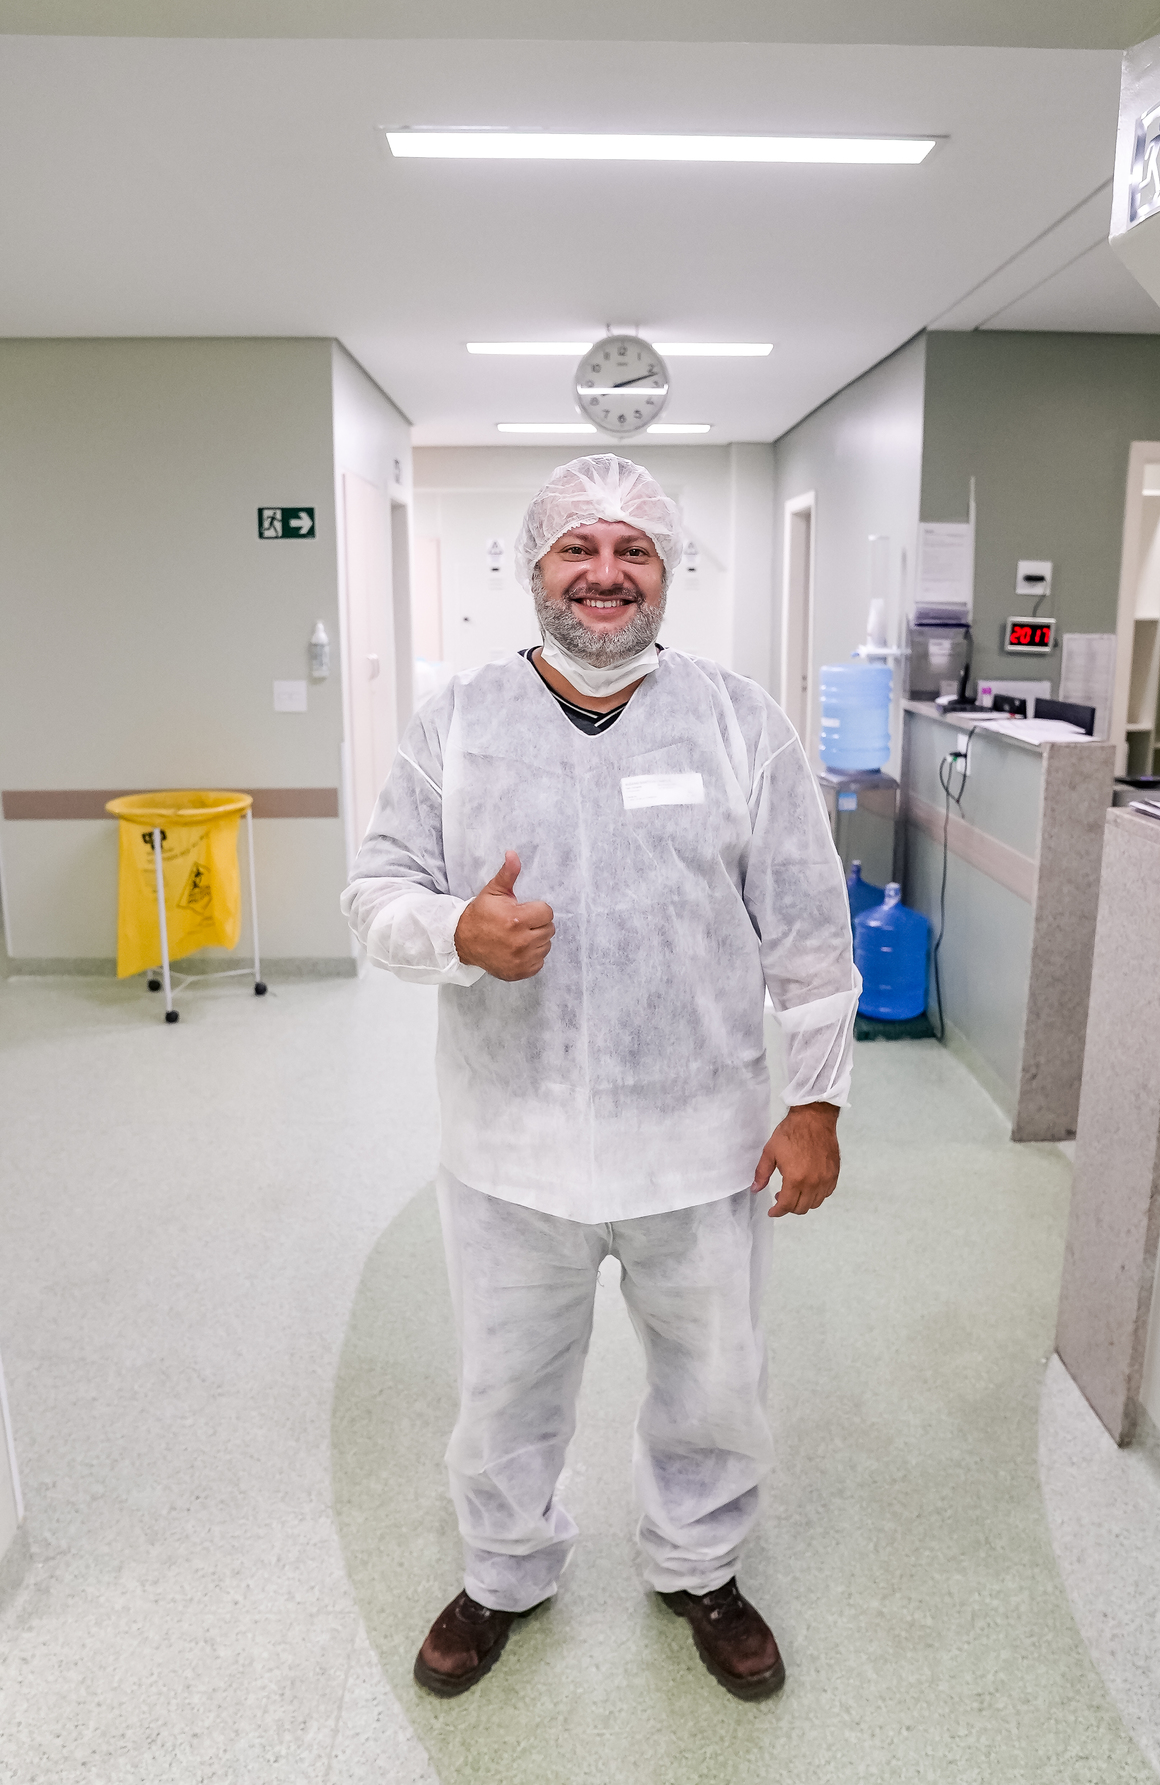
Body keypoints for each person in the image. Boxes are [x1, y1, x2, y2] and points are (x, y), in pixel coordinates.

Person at [342, 454, 858, 1703]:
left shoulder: (738, 721)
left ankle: (701, 1565)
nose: (606, 572)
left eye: (635, 550)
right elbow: (376, 890)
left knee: (717, 1380)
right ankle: (502, 1571)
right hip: (510, 1145)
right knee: (503, 1384)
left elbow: (808, 926)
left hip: (702, 1139)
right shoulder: (460, 721)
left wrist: (815, 1102)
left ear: (667, 572)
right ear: (535, 567)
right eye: (579, 547)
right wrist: (456, 929)